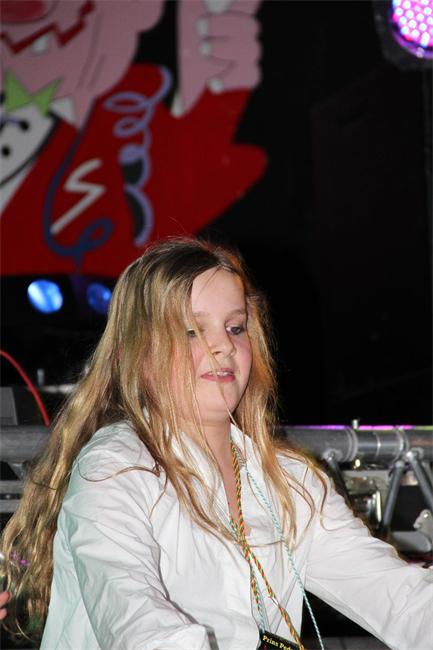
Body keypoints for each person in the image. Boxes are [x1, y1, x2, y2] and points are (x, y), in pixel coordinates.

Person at [1, 238, 431, 650]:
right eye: (193, 331)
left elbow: (396, 598)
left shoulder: (290, 481)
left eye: (235, 327)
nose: (223, 345)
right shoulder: (115, 467)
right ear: (140, 352)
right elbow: (135, 620)